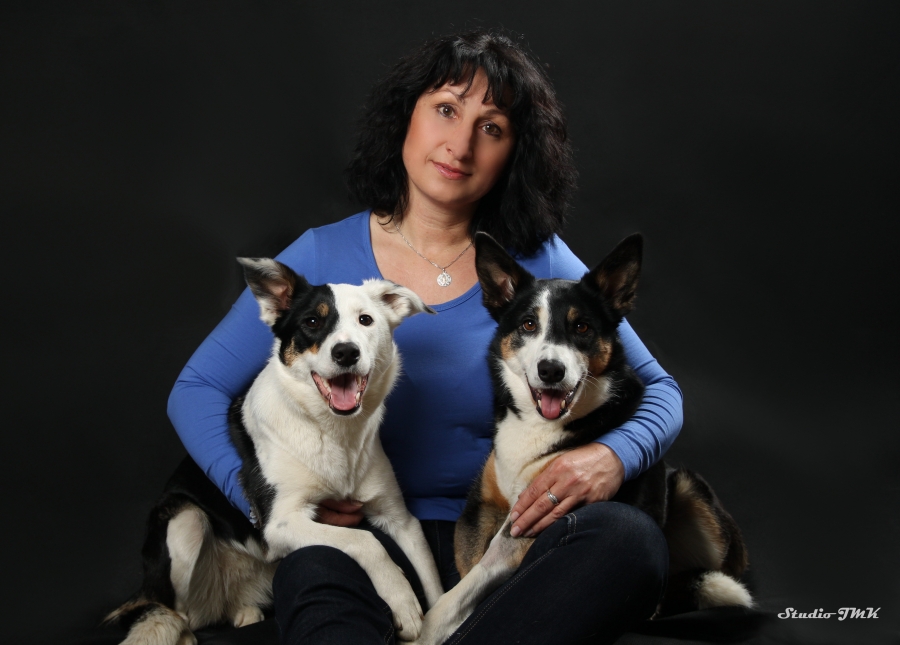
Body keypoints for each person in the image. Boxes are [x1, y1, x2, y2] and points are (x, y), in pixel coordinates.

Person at [168, 30, 682, 645]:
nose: (460, 145)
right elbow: (195, 389)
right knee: (314, 576)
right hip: (364, 539)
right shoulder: (320, 255)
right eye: (445, 110)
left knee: (629, 541)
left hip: (504, 537)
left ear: (514, 153)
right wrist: (258, 498)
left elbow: (663, 393)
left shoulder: (539, 264)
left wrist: (611, 457)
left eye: (491, 128)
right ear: (404, 117)